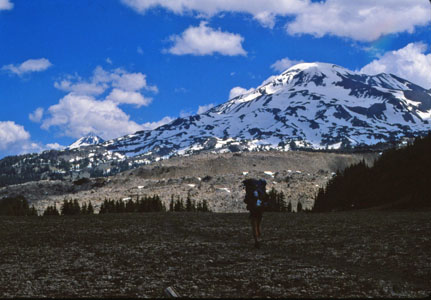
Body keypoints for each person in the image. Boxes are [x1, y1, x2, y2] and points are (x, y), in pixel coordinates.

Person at [242, 179, 269, 248]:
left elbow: (246, 200)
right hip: (260, 210)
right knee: (258, 224)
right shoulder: (261, 192)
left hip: (253, 210)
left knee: (254, 225)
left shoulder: (250, 192)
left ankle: (256, 240)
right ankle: (259, 236)